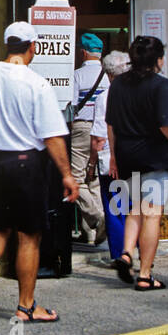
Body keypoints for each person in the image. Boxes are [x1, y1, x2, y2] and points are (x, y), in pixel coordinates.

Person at [0, 22, 79, 323]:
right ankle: (25, 307)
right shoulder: (37, 84)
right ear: (31, 47)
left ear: (7, 45)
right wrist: (67, 173)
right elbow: (52, 136)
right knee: (28, 236)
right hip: (27, 164)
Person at [105, 35, 168, 291]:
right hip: (154, 155)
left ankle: (126, 253)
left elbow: (111, 124)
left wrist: (114, 156)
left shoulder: (118, 85)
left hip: (127, 155)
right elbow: (165, 124)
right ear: (158, 60)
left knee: (134, 209)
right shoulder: (161, 85)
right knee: (151, 214)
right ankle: (145, 274)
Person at [88, 51, 131, 263]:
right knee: (131, 206)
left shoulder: (105, 98)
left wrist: (90, 165)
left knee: (114, 207)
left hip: (111, 159)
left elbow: (98, 138)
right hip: (135, 157)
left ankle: (120, 255)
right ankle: (133, 250)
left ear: (107, 73)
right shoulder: (138, 93)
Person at [68, 33, 108, 244]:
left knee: (76, 178)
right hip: (103, 130)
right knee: (94, 178)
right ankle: (91, 232)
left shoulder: (77, 75)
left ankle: (99, 220)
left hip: (82, 129)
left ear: (82, 52)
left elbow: (72, 107)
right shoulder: (108, 76)